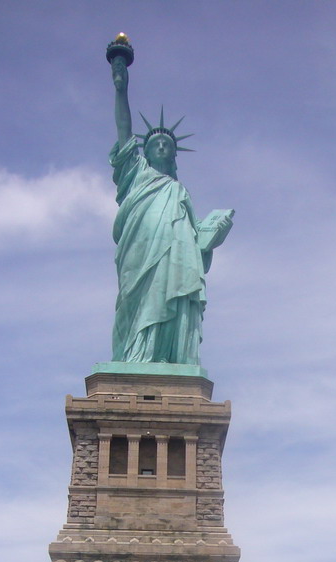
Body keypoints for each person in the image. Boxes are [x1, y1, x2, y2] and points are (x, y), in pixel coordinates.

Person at [108, 46, 233, 364]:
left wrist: (209, 236)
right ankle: (138, 358)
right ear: (145, 152)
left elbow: (195, 244)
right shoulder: (135, 174)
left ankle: (168, 356)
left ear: (174, 156)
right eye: (155, 144)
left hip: (176, 256)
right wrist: (121, 88)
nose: (162, 147)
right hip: (140, 252)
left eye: (167, 145)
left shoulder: (180, 191)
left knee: (173, 295)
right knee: (139, 301)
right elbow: (124, 133)